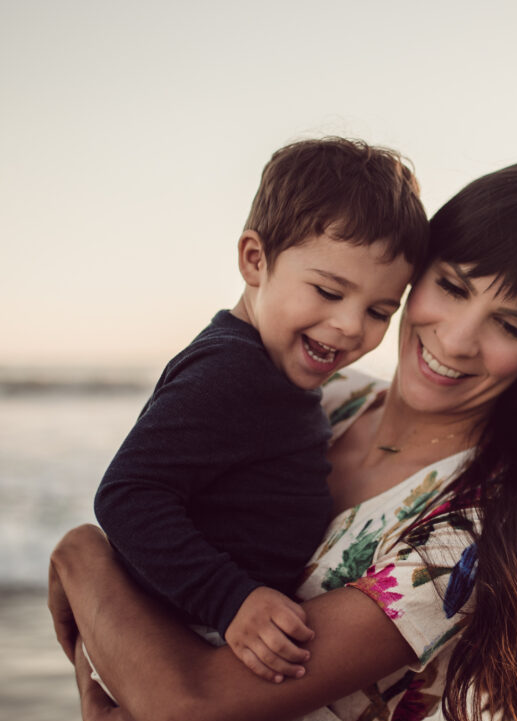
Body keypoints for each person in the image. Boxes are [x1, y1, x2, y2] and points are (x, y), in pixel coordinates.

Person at [49, 161, 517, 721]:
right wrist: (100, 693)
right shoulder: (314, 391)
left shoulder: (485, 523)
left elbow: (187, 716)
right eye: (450, 286)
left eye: (510, 325)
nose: (458, 339)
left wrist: (77, 556)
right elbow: (147, 522)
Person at [93, 137, 427, 684]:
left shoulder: (275, 369)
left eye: (378, 310)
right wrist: (231, 601)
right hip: (194, 637)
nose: (349, 325)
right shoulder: (230, 372)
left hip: (216, 632)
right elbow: (127, 495)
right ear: (256, 259)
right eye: (327, 290)